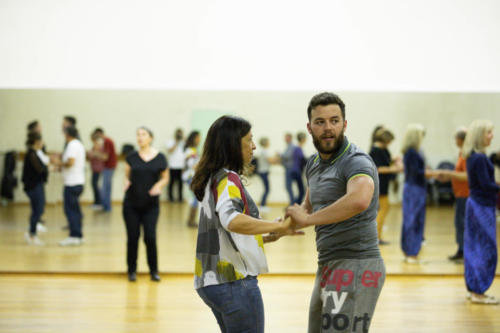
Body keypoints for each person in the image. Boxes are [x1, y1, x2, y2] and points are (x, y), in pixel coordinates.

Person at [286, 92, 385, 333]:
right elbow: (307, 207)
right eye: (320, 122)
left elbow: (360, 199)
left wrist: (308, 220)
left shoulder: (356, 161)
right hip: (328, 263)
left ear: (345, 124)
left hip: (357, 264)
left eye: (334, 120)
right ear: (309, 127)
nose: (328, 128)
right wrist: (277, 230)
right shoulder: (313, 163)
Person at [192, 115, 300, 333]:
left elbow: (225, 233)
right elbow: (231, 220)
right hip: (233, 283)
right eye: (249, 140)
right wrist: (276, 225)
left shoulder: (212, 177)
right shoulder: (227, 179)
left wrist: (269, 234)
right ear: (232, 145)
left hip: (211, 282)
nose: (253, 146)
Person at [123, 127, 169, 282]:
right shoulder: (131, 157)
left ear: (151, 138)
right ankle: (131, 270)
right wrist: (126, 183)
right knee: (132, 237)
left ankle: (154, 270)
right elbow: (127, 176)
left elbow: (165, 178)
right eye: (138, 134)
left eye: (143, 134)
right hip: (131, 204)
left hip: (151, 206)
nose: (140, 137)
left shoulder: (160, 157)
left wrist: (159, 186)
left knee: (150, 237)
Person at [462, 120, 498, 304]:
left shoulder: (475, 157)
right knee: (484, 248)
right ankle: (478, 290)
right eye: (489, 133)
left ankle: (475, 288)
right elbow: (486, 185)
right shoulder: (480, 158)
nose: (492, 136)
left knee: (476, 246)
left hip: (477, 204)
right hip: (481, 206)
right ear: (480, 136)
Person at [400, 124, 439, 263]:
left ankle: (410, 251)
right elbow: (416, 172)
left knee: (413, 220)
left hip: (415, 188)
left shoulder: (413, 152)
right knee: (414, 220)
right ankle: (411, 252)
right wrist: (433, 173)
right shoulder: (412, 152)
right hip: (414, 189)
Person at [438, 127, 469, 261]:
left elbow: (467, 176)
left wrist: (450, 174)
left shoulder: (466, 155)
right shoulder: (462, 153)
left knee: (462, 223)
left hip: (465, 194)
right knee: (459, 223)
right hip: (460, 194)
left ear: (460, 140)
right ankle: (461, 249)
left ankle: (463, 251)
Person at [369, 128, 402, 245]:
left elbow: (385, 161)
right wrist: (393, 169)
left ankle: (377, 235)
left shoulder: (382, 149)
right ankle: (376, 236)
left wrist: (394, 160)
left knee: (384, 208)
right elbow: (377, 168)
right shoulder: (376, 150)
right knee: (383, 209)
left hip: (383, 182)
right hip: (379, 183)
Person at [55, 126, 86, 246]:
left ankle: (74, 235)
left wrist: (58, 162)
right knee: (75, 210)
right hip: (77, 181)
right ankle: (78, 234)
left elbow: (71, 162)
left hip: (72, 183)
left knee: (70, 210)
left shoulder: (72, 144)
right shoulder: (78, 144)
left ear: (67, 134)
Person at [21, 132, 48, 245]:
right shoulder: (32, 154)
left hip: (36, 184)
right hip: (33, 186)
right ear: (36, 142)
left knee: (38, 209)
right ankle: (32, 235)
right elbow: (40, 169)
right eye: (41, 141)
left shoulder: (35, 153)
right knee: (37, 209)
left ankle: (32, 232)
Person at [93, 128, 117, 212]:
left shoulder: (107, 141)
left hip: (109, 167)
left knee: (105, 188)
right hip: (109, 166)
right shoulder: (107, 141)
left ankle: (106, 206)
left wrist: (96, 154)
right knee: (107, 187)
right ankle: (106, 206)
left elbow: (105, 157)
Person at [255, 137, 280, 212]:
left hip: (263, 172)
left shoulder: (263, 151)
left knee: (266, 189)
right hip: (263, 172)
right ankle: (262, 205)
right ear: (265, 143)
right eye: (268, 141)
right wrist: (277, 155)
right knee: (267, 189)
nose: (269, 143)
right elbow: (271, 161)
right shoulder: (264, 151)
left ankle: (263, 205)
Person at [183, 130, 201, 228]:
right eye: (198, 138)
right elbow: (191, 165)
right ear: (194, 139)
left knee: (195, 198)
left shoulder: (193, 149)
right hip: (189, 176)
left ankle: (191, 220)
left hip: (192, 176)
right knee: (195, 197)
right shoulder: (190, 150)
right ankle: (191, 221)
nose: (199, 140)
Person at [282, 132, 305, 204]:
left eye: (286, 137)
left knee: (296, 188)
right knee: (292, 187)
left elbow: (288, 156)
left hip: (293, 170)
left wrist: (280, 155)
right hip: (293, 170)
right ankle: (294, 203)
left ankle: (294, 203)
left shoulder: (294, 147)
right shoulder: (293, 147)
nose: (285, 139)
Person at [166, 128, 185, 202]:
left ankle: (180, 198)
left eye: (180, 133)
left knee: (180, 183)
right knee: (171, 183)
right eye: (178, 133)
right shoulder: (171, 142)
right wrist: (176, 142)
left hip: (181, 166)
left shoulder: (184, 143)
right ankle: (170, 198)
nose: (179, 135)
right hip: (172, 166)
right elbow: (170, 150)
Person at [87, 131, 105, 210]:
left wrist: (93, 153)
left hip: (98, 168)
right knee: (94, 184)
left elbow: (100, 156)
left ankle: (98, 202)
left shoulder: (99, 146)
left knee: (95, 185)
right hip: (94, 168)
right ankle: (96, 202)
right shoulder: (94, 146)